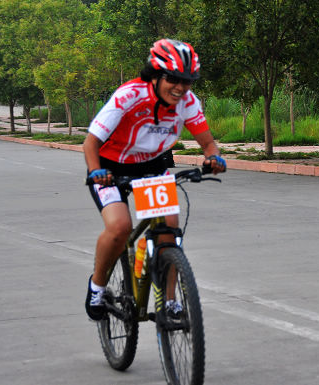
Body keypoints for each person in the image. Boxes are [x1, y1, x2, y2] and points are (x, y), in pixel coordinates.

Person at [83, 39, 226, 321]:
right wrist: (96, 171)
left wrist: (213, 158)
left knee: (169, 230)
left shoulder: (187, 102)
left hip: (153, 167)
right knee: (120, 227)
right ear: (155, 75)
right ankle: (97, 286)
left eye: (187, 81)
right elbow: (91, 143)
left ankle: (170, 301)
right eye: (173, 79)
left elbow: (209, 144)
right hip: (110, 167)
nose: (180, 88)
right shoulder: (129, 95)